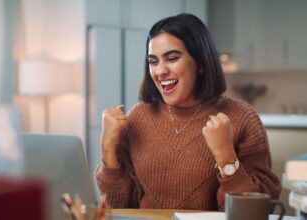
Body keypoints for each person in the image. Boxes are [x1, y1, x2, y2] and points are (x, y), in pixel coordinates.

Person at [95, 13, 281, 210]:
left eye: (172, 58)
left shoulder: (242, 117)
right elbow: (119, 207)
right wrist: (107, 149)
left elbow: (259, 210)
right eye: (153, 61)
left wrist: (226, 157)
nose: (160, 71)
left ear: (200, 62)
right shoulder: (138, 117)